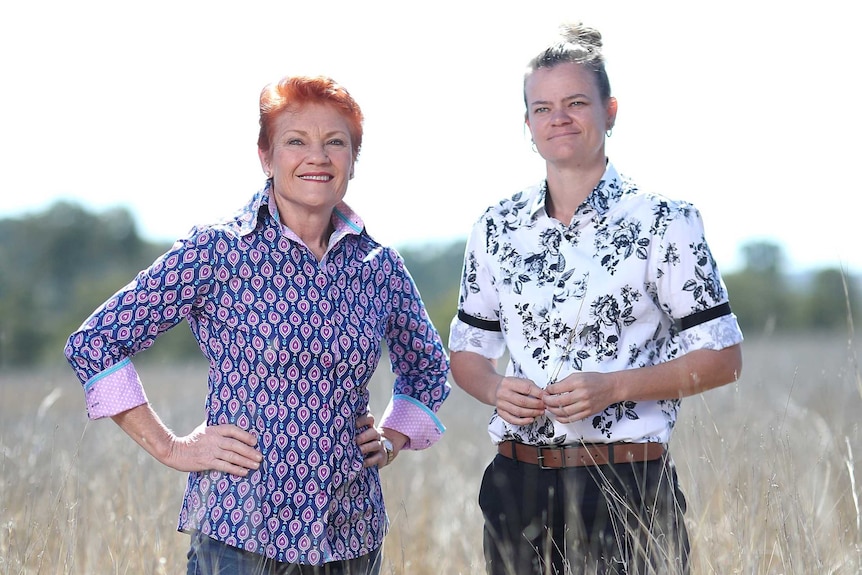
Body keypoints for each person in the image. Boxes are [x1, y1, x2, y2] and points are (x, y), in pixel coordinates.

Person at [64, 74, 451, 575]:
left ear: (353, 160)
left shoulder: (379, 267)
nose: (318, 156)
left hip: (351, 535)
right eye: (296, 141)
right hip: (239, 535)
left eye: (336, 142)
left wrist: (394, 437)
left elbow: (427, 369)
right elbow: (94, 343)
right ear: (266, 157)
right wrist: (170, 447)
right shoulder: (218, 251)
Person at [448, 22, 743, 575]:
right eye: (543, 108)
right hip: (517, 486)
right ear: (528, 124)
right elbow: (467, 354)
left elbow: (724, 359)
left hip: (626, 484)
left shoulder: (664, 222)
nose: (559, 118)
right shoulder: (495, 227)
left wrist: (614, 387)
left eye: (576, 102)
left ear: (610, 111)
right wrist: (495, 389)